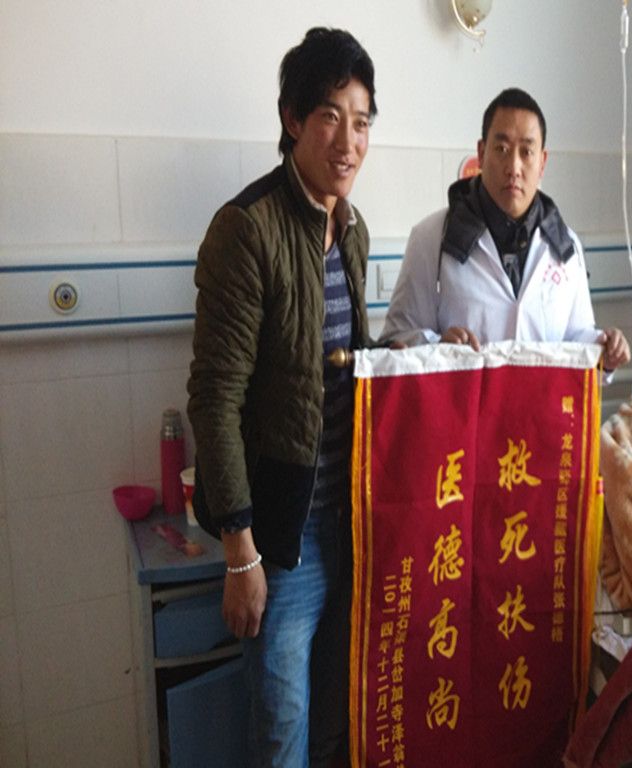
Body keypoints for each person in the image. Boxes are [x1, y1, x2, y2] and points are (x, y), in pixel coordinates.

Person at [186, 27, 376, 767]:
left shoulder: (351, 231)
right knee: (281, 739)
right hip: (281, 543)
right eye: (330, 116)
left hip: (350, 528)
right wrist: (240, 551)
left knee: (337, 724)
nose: (348, 142)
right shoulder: (247, 230)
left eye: (362, 121)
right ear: (293, 119)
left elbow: (344, 368)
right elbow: (215, 399)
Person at [380, 87, 630, 371]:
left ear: (542, 162)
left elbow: (576, 339)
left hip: (540, 401)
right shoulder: (431, 238)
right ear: (481, 153)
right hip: (462, 400)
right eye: (502, 149)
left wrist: (603, 349)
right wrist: (438, 348)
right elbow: (395, 341)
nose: (514, 167)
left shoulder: (566, 246)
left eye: (527, 152)